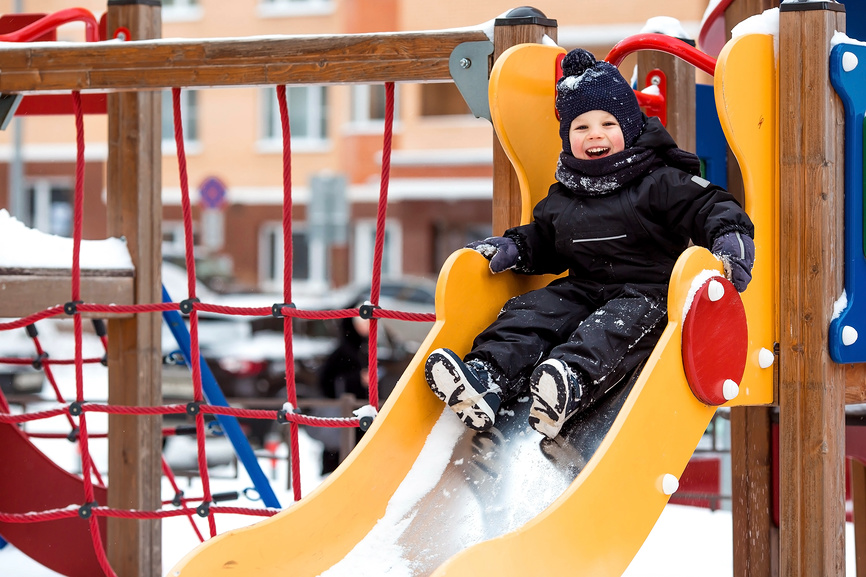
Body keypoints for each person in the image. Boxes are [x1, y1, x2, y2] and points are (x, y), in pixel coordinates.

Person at [424, 48, 755, 439]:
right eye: (580, 127)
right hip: (584, 287)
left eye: (607, 123)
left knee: (610, 329)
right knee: (533, 309)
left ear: (629, 129)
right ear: (568, 138)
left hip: (647, 292)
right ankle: (488, 377)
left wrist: (729, 238)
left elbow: (708, 204)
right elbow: (547, 238)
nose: (594, 134)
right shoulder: (565, 193)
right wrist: (517, 247)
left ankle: (570, 381)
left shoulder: (661, 180)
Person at [315, 314, 370, 474]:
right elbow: (327, 380)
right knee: (340, 454)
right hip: (346, 412)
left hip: (359, 411)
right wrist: (357, 378)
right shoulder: (345, 350)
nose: (365, 327)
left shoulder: (363, 346)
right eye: (361, 324)